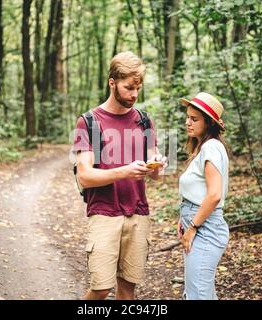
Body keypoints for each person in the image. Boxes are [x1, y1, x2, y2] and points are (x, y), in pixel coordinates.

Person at [73, 51, 168, 300]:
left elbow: (156, 175)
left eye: (138, 88)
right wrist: (124, 171)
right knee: (102, 287)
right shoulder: (90, 122)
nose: (134, 94)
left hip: (138, 212)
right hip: (104, 213)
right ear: (112, 82)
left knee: (128, 289)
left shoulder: (144, 121)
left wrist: (157, 165)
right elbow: (85, 176)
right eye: (128, 88)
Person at [177, 92, 230, 300]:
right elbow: (197, 192)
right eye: (187, 117)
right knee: (201, 293)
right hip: (197, 222)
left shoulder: (211, 147)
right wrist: (183, 219)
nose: (188, 122)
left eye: (194, 119)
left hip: (205, 228)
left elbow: (214, 194)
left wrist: (193, 227)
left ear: (209, 123)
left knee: (197, 295)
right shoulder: (203, 148)